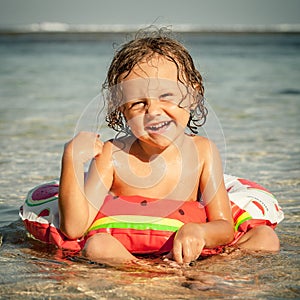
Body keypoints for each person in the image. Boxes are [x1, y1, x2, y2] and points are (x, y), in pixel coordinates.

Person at [58, 28, 280, 265]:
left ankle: (195, 274)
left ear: (193, 95)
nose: (153, 111)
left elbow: (224, 226)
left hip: (189, 253)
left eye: (166, 96)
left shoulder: (203, 151)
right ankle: (151, 276)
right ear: (121, 109)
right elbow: (74, 228)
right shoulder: (112, 155)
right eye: (138, 103)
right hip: (130, 257)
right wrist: (71, 158)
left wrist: (199, 232)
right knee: (98, 246)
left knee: (265, 238)